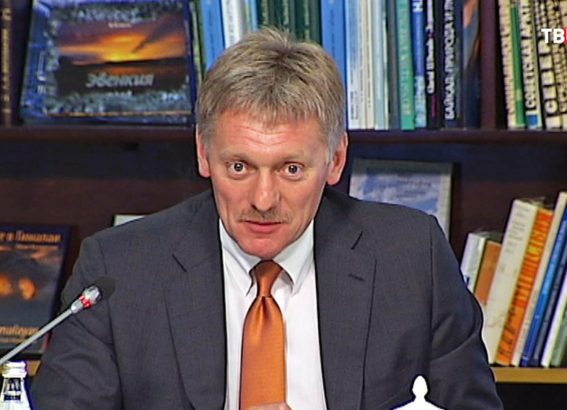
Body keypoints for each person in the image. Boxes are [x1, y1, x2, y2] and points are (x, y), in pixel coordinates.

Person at [31, 28, 503, 409]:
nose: (262, 199)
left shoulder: (411, 257)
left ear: (336, 161)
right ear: (203, 153)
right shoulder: (119, 270)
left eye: (291, 169)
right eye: (239, 167)